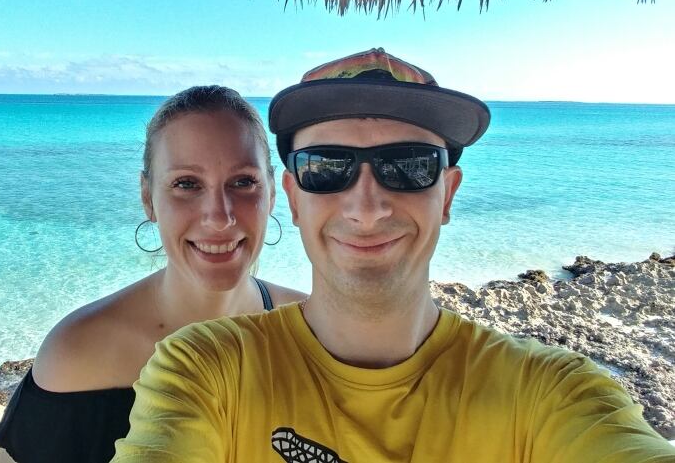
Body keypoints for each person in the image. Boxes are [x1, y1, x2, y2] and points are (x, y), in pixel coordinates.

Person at [112, 49, 675, 462]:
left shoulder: (549, 392)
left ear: (447, 193)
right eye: (326, 167)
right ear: (293, 197)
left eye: (408, 165)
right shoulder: (205, 370)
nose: (367, 205)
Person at [0, 85, 306, 463]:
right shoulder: (79, 355)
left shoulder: (311, 331)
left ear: (272, 192)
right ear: (148, 198)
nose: (220, 216)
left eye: (243, 181)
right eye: (186, 184)